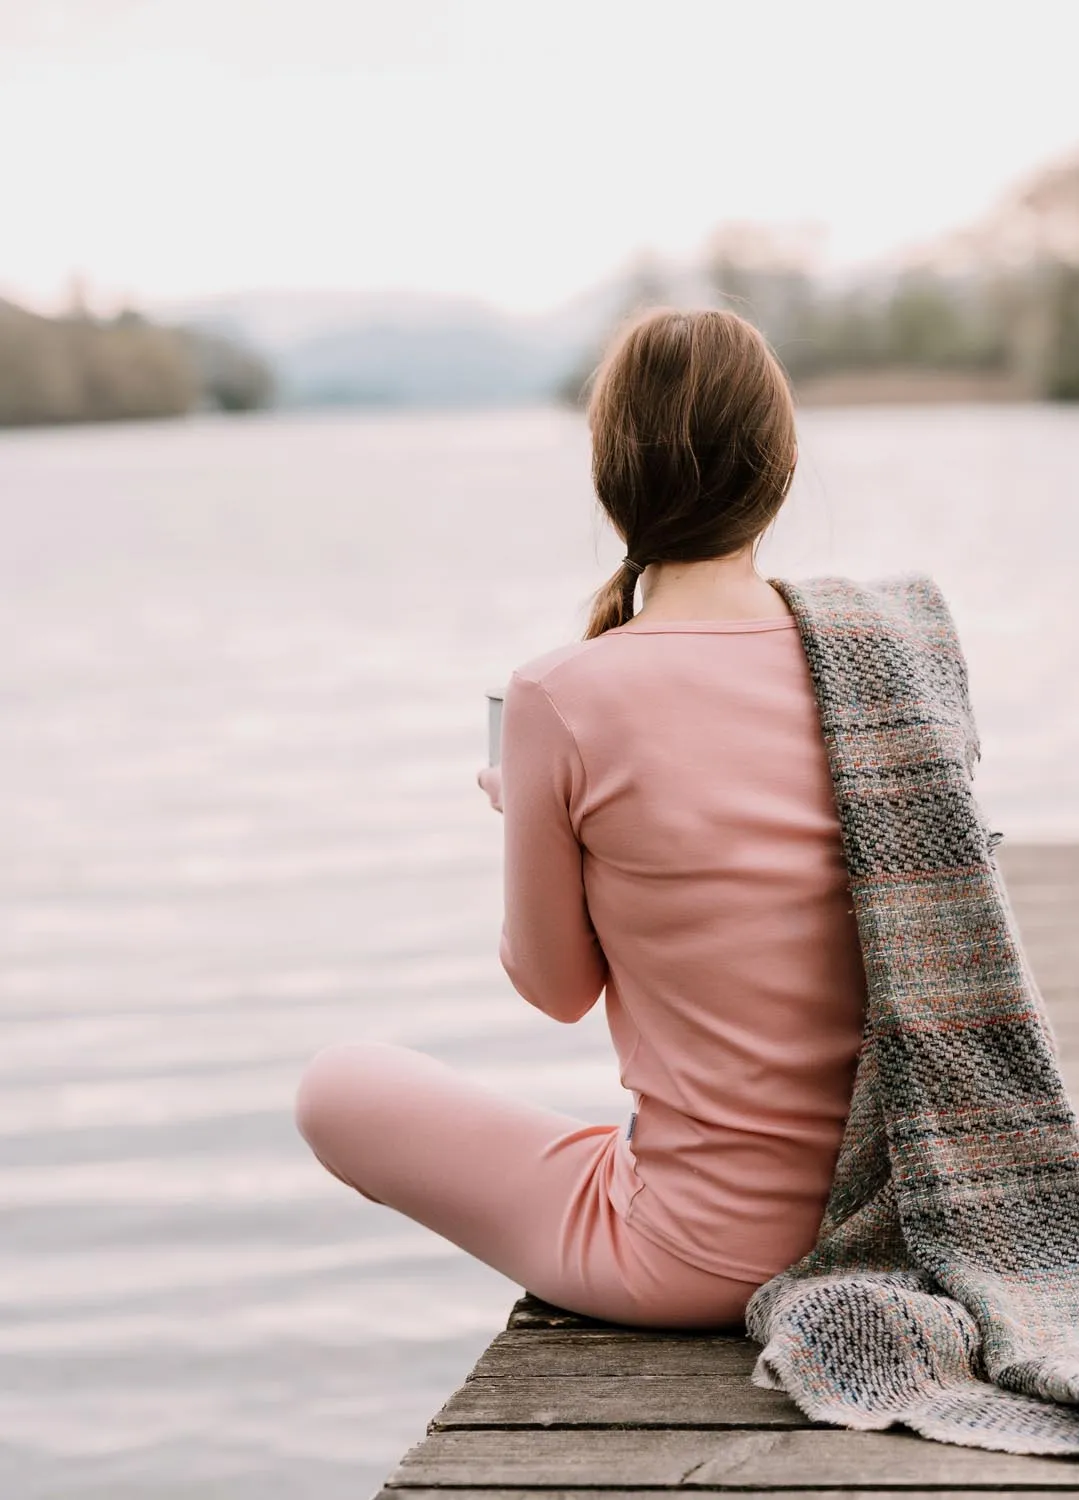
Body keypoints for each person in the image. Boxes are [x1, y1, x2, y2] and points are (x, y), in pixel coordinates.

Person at [295, 307, 868, 1330]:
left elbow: (555, 989)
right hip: (894, 1214)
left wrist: (530, 816)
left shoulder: (561, 696)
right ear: (778, 471)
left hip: (699, 1255)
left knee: (337, 1087)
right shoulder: (876, 669)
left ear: (612, 480)